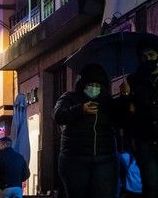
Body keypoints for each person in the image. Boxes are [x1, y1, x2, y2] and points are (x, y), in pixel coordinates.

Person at [54, 63, 122, 198]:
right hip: (75, 159)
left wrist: (125, 98)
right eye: (90, 85)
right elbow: (58, 115)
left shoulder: (108, 102)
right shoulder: (69, 97)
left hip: (105, 159)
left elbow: (121, 120)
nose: (94, 88)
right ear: (82, 84)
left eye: (97, 85)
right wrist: (80, 109)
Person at [121, 44, 158, 198]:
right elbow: (127, 113)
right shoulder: (133, 80)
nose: (148, 58)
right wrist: (126, 96)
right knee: (151, 183)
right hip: (145, 139)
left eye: (151, 54)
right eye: (144, 55)